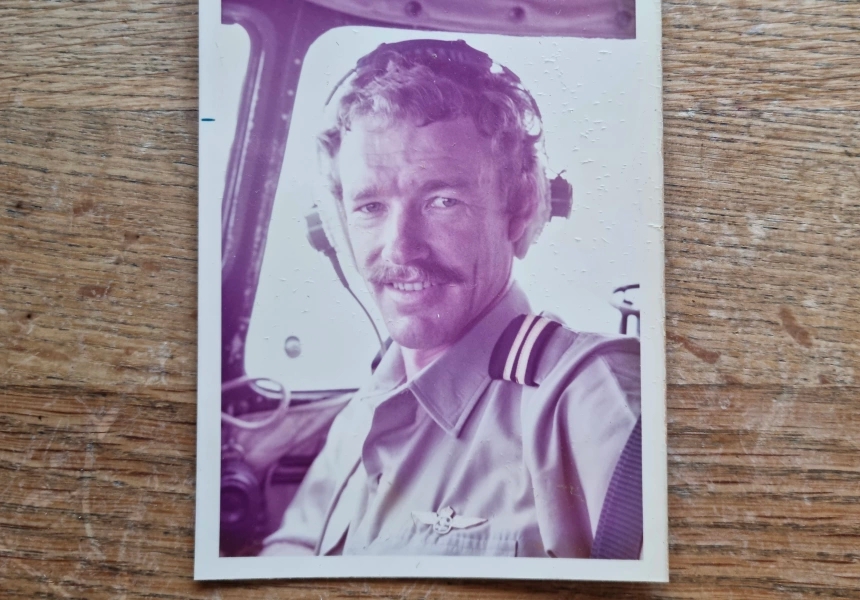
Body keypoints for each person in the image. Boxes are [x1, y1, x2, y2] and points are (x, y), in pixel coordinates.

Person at [261, 39, 641, 558]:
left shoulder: (588, 399)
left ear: (521, 205)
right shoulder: (370, 402)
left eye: (442, 201)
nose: (400, 248)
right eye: (370, 206)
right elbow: (291, 554)